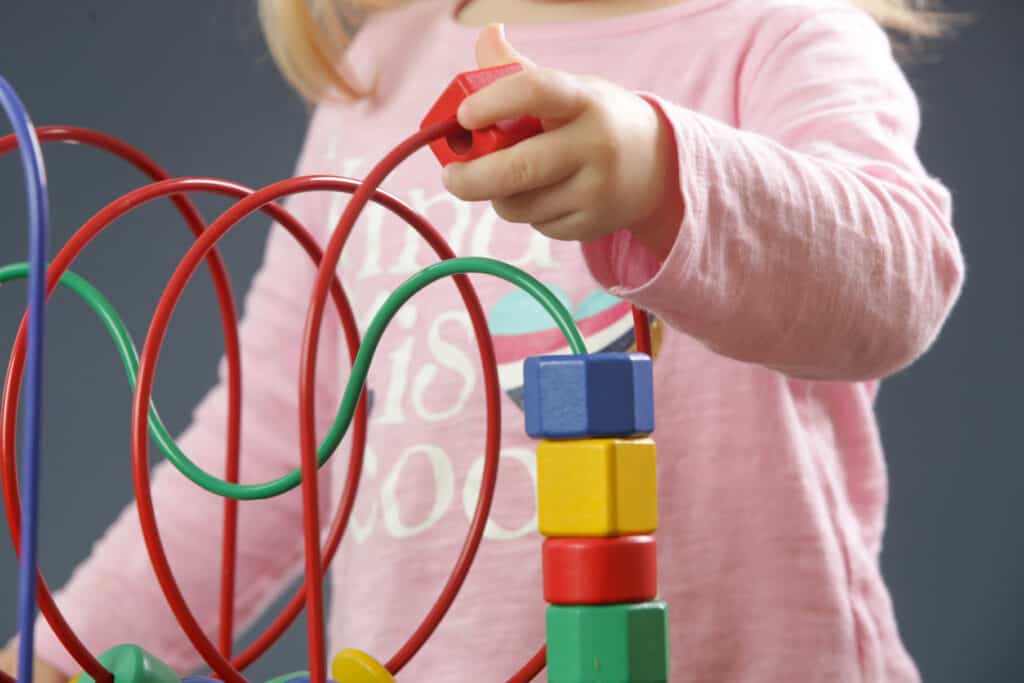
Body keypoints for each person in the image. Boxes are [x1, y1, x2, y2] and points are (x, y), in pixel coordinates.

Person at [2, 0, 964, 680]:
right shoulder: (381, 68)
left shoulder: (783, 33)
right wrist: (65, 645)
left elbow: (903, 275)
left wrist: (667, 173)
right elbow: (269, 439)